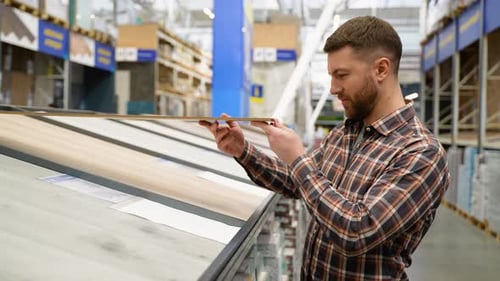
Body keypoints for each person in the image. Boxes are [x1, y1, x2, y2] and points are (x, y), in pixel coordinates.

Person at [200, 16, 449, 281]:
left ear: (381, 70)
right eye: (331, 76)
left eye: (342, 75)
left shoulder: (421, 153)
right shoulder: (345, 134)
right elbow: (297, 182)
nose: (332, 89)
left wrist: (297, 158)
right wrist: (243, 150)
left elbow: (355, 231)